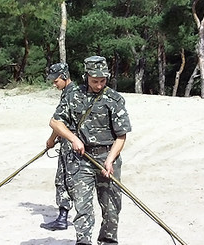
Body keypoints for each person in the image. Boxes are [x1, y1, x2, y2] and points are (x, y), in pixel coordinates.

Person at [49, 56, 131, 245]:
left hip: (107, 158)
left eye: (103, 81)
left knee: (111, 209)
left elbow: (121, 136)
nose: (99, 85)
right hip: (82, 160)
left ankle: (108, 241)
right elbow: (55, 122)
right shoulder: (73, 95)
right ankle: (83, 242)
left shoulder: (115, 99)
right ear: (86, 76)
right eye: (95, 81)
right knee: (83, 208)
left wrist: (109, 160)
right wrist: (73, 139)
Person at [40, 62, 75, 231]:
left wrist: (50, 140)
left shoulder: (69, 94)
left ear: (64, 77)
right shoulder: (78, 91)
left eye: (56, 81)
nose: (54, 84)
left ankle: (62, 218)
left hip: (70, 145)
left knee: (62, 181)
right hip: (77, 142)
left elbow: (57, 122)